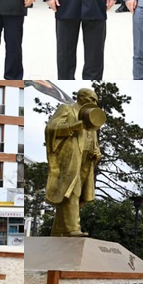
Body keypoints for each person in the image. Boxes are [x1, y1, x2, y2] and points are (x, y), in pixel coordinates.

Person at [44, 88, 102, 236]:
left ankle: (58, 231)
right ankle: (73, 229)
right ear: (81, 97)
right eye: (91, 99)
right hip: (71, 158)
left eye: (96, 100)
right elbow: (51, 128)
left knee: (80, 194)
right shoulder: (67, 109)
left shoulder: (91, 118)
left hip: (86, 161)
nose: (95, 103)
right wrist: (71, 127)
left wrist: (97, 152)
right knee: (72, 191)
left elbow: (93, 141)